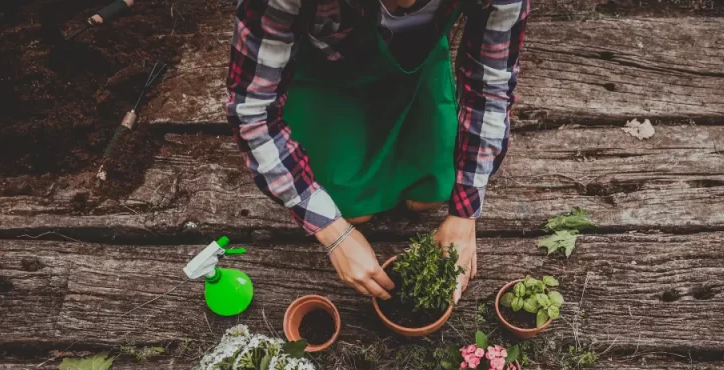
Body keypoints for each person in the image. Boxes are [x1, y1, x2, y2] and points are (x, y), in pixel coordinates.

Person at [226, 0, 529, 302]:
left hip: (415, 64)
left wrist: (465, 217)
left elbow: (489, 90)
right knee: (352, 213)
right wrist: (334, 233)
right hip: (327, 71)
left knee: (433, 194)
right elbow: (252, 112)